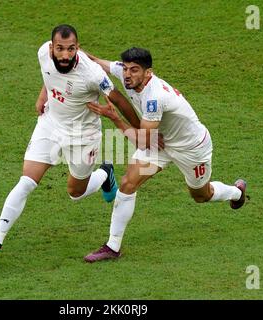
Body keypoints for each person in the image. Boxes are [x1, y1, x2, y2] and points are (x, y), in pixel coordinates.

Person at [0, 25, 140, 262]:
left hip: (83, 135)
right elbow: (48, 74)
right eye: (60, 49)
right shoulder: (43, 52)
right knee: (26, 181)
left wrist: (140, 128)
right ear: (52, 47)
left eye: (70, 49)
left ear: (77, 48)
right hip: (50, 124)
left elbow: (119, 100)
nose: (65, 55)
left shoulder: (92, 74)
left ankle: (105, 174)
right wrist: (44, 95)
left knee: (75, 192)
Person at [83, 47, 247, 262]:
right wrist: (74, 53)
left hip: (191, 148)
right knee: (128, 183)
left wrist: (114, 118)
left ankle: (236, 193)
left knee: (201, 195)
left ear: (148, 73)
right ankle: (112, 247)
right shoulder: (127, 76)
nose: (127, 75)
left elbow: (142, 139)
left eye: (134, 70)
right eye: (125, 69)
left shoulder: (155, 97)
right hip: (160, 144)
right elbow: (95, 61)